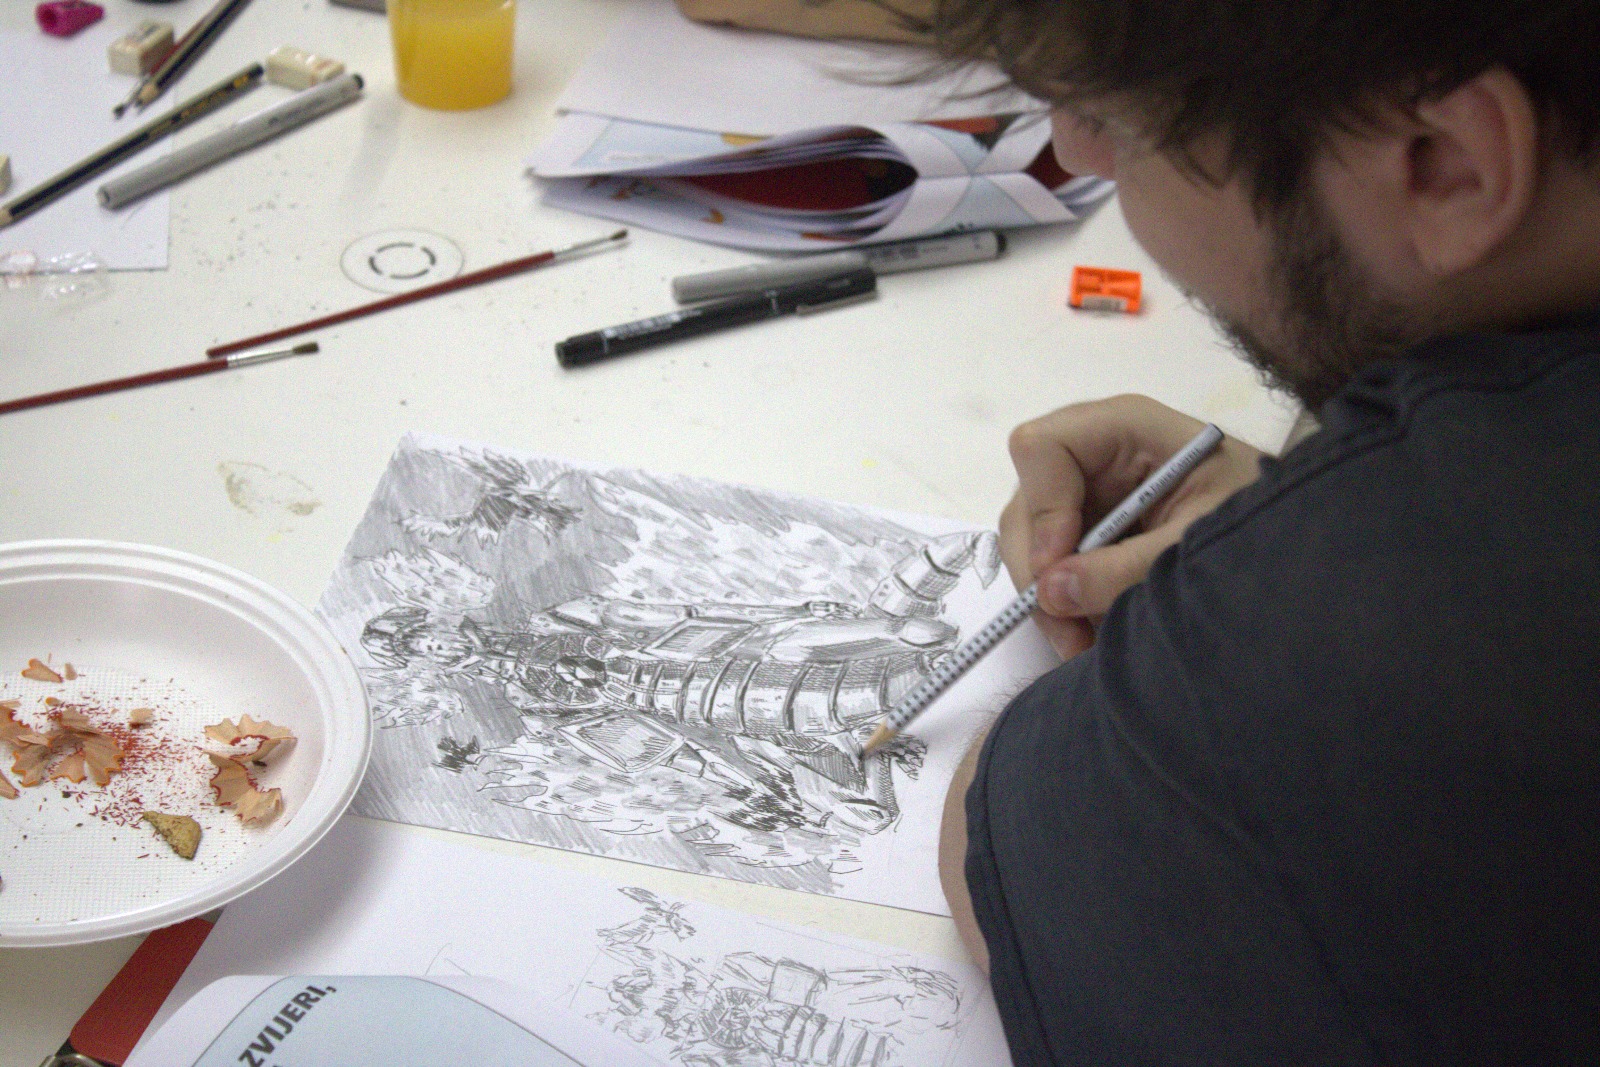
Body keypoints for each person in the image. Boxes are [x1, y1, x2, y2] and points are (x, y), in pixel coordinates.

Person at [927, 0, 1600, 1062]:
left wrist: (1279, 587)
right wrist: (1314, 509)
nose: (1074, 150)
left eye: (1119, 118)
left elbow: (1007, 838)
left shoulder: (1378, 662)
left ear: (1447, 165)